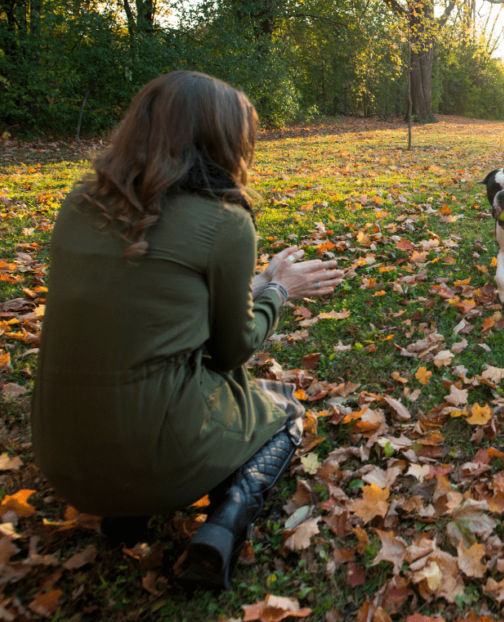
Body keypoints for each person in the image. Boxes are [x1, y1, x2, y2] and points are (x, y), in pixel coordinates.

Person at [31, 70, 344, 588]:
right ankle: (223, 525)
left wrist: (260, 278)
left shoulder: (80, 203)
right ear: (224, 140)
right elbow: (230, 350)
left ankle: (124, 516)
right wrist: (280, 292)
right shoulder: (223, 221)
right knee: (284, 408)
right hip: (155, 447)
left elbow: (149, 299)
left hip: (60, 460)